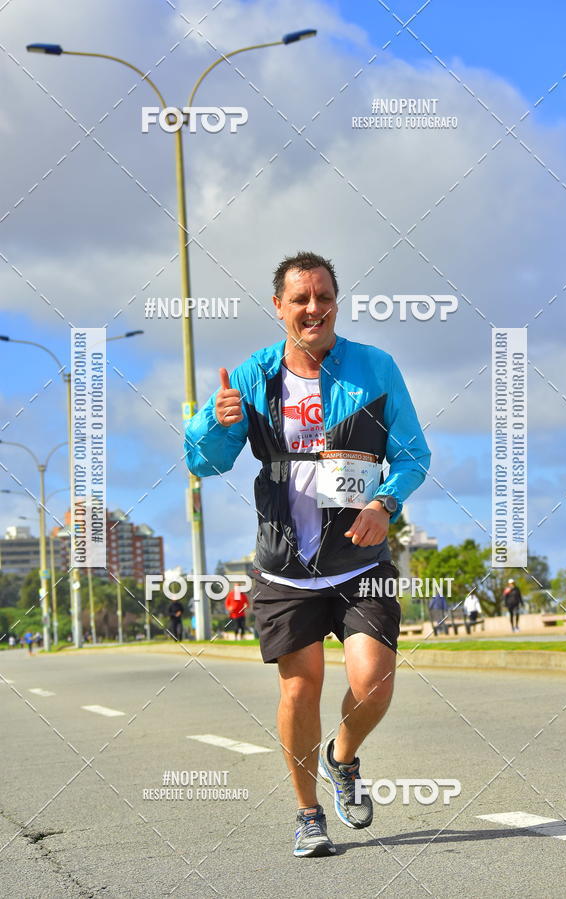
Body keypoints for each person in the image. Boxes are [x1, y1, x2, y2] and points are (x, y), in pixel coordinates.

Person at [185, 251, 430, 858]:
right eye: (300, 299)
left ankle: (341, 759)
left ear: (335, 301)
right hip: (284, 564)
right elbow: (205, 464)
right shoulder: (252, 375)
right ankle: (307, 814)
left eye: (323, 296)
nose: (313, 308)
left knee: (373, 681)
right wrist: (215, 426)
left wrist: (386, 504)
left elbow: (413, 453)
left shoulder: (374, 368)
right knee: (301, 689)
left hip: (358, 558)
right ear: (279, 308)